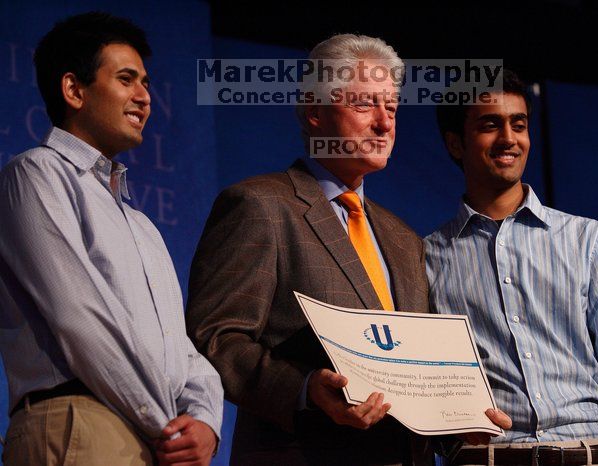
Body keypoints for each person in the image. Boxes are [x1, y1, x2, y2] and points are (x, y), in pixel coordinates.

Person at [185, 34, 509, 465]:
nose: (384, 124)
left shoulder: (403, 238)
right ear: (316, 112)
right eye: (364, 105)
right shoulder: (260, 205)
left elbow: (415, 373)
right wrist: (304, 389)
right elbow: (215, 338)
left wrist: (459, 427)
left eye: (390, 108)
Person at [0, 12, 223, 466]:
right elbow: (77, 316)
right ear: (73, 90)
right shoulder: (36, 174)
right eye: (126, 79)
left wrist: (204, 422)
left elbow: (179, 347)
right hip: (79, 422)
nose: (144, 97)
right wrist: (165, 424)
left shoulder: (142, 225)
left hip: (153, 439)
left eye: (145, 83)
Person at [425, 69, 598, 465]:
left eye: (518, 125)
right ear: (455, 143)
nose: (509, 139)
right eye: (490, 125)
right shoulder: (427, 257)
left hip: (586, 452)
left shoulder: (588, 240)